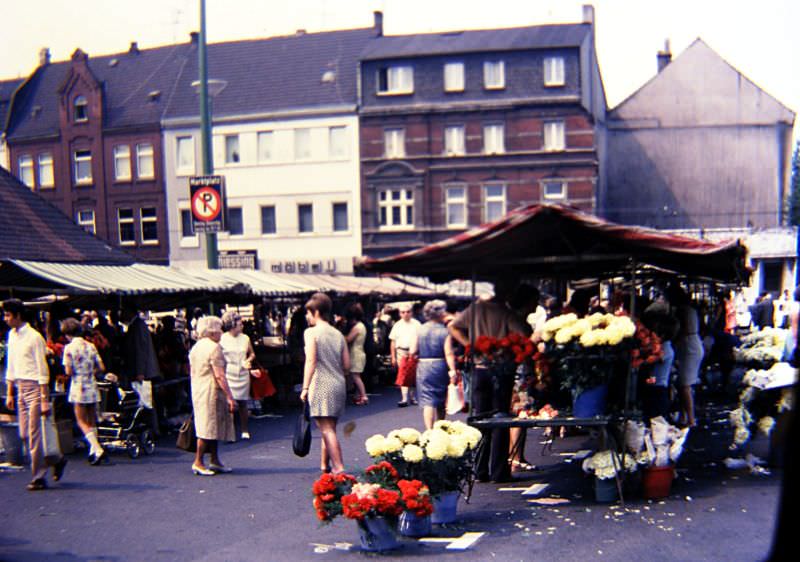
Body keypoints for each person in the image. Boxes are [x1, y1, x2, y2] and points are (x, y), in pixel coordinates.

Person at [449, 281, 536, 482]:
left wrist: (470, 345)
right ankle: (498, 472)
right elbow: (524, 334)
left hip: (479, 369)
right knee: (500, 419)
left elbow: (453, 327)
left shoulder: (475, 309)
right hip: (501, 369)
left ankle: (479, 470)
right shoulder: (505, 313)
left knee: (481, 419)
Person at [3, 299, 67, 490]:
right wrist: (9, 393)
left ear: (18, 315)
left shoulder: (34, 337)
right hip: (19, 387)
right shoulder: (11, 336)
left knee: (34, 434)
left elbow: (42, 369)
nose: (5, 318)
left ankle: (38, 476)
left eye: (8, 315)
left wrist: (44, 398)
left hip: (34, 388)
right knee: (24, 434)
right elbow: (11, 365)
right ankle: (57, 459)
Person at [299, 293, 350, 474]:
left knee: (326, 429)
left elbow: (311, 361)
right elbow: (347, 365)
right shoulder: (338, 334)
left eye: (308, 313)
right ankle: (324, 465)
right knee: (330, 428)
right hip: (338, 383)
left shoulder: (311, 333)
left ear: (316, 312)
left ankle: (339, 467)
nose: (307, 316)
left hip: (321, 383)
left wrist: (305, 387)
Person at [188, 316, 237, 476]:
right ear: (212, 331)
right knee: (207, 427)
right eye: (219, 330)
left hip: (198, 389)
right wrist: (230, 396)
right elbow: (220, 376)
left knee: (209, 425)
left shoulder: (196, 347)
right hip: (211, 391)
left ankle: (214, 460)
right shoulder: (214, 348)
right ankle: (198, 461)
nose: (222, 333)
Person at [60, 317, 107, 464]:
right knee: (91, 419)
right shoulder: (90, 346)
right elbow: (101, 367)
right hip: (91, 383)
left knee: (81, 420)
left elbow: (68, 371)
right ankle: (93, 452)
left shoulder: (68, 348)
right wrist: (90, 371)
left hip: (78, 385)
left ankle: (97, 448)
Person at [411, 300, 457, 429]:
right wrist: (452, 370)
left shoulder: (419, 329)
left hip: (424, 365)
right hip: (440, 365)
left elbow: (412, 350)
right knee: (441, 399)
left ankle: (429, 430)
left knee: (428, 400)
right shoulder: (445, 331)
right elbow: (448, 353)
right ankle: (440, 427)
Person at [667, 284, 704, 428]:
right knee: (683, 383)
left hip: (689, 346)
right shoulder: (689, 309)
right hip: (691, 344)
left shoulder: (682, 310)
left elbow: (681, 330)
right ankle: (684, 416)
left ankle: (691, 419)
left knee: (684, 385)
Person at [220, 311, 256, 440]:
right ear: (232, 325)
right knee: (229, 403)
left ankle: (245, 429)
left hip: (243, 372)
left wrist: (249, 360)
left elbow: (252, 354)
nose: (242, 326)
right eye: (240, 324)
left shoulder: (245, 338)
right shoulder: (222, 338)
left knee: (243, 402)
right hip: (228, 372)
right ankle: (229, 432)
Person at [389, 302, 421, 407]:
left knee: (412, 375)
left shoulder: (417, 324)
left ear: (411, 313)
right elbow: (393, 342)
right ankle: (404, 398)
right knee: (403, 375)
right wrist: (393, 356)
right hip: (401, 352)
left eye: (408, 312)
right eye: (403, 312)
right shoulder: (397, 325)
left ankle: (412, 397)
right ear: (400, 314)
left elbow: (421, 339)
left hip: (414, 352)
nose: (406, 314)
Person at [344, 303, 369, 406]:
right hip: (360, 352)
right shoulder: (362, 326)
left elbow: (348, 339)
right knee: (357, 376)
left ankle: (363, 396)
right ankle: (358, 395)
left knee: (355, 376)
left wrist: (338, 334)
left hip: (355, 353)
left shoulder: (357, 327)